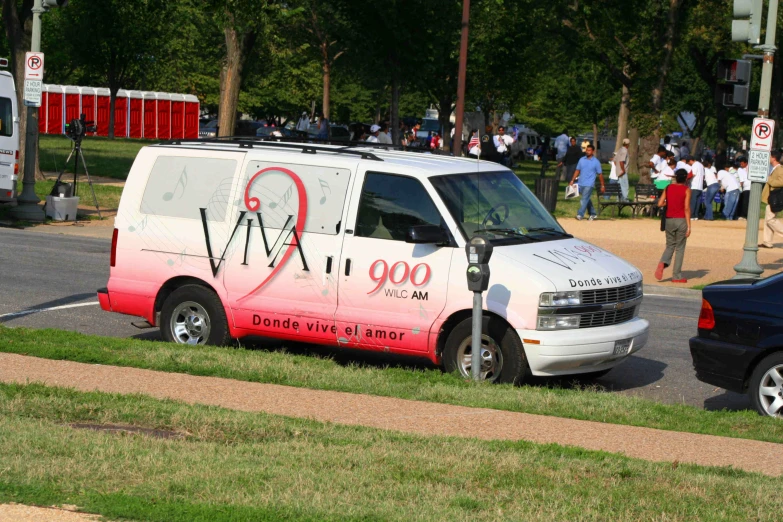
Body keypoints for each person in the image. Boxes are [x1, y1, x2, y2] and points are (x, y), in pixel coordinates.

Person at [655, 168, 692, 283]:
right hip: (681, 220)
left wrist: (669, 202)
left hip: (669, 220)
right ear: (686, 178)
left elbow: (660, 203)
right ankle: (676, 276)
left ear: (675, 178)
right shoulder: (687, 190)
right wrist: (689, 226)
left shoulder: (668, 188)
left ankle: (663, 262)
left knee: (670, 245)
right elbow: (686, 208)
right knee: (680, 248)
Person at [569, 144, 605, 221]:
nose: (587, 152)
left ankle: (580, 214)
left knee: (583, 199)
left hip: (589, 184)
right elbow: (577, 170)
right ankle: (593, 214)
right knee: (586, 199)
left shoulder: (596, 162)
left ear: (593, 151)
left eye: (589, 150)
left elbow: (600, 174)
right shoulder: (581, 160)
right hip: (580, 183)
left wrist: (602, 185)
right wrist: (572, 180)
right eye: (586, 150)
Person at [761, 150, 783, 248]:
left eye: (770, 156)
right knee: (767, 219)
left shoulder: (780, 169)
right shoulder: (774, 168)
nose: (768, 158)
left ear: (774, 158)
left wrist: (768, 178)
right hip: (771, 197)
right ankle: (767, 241)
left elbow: (781, 182)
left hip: (775, 197)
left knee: (770, 219)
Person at [687, 155, 705, 220]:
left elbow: (693, 174)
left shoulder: (695, 165)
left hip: (694, 185)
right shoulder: (701, 165)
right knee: (697, 202)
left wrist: (687, 179)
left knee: (693, 201)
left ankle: (692, 215)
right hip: (700, 186)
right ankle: (696, 215)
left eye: (688, 163)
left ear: (690, 161)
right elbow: (703, 176)